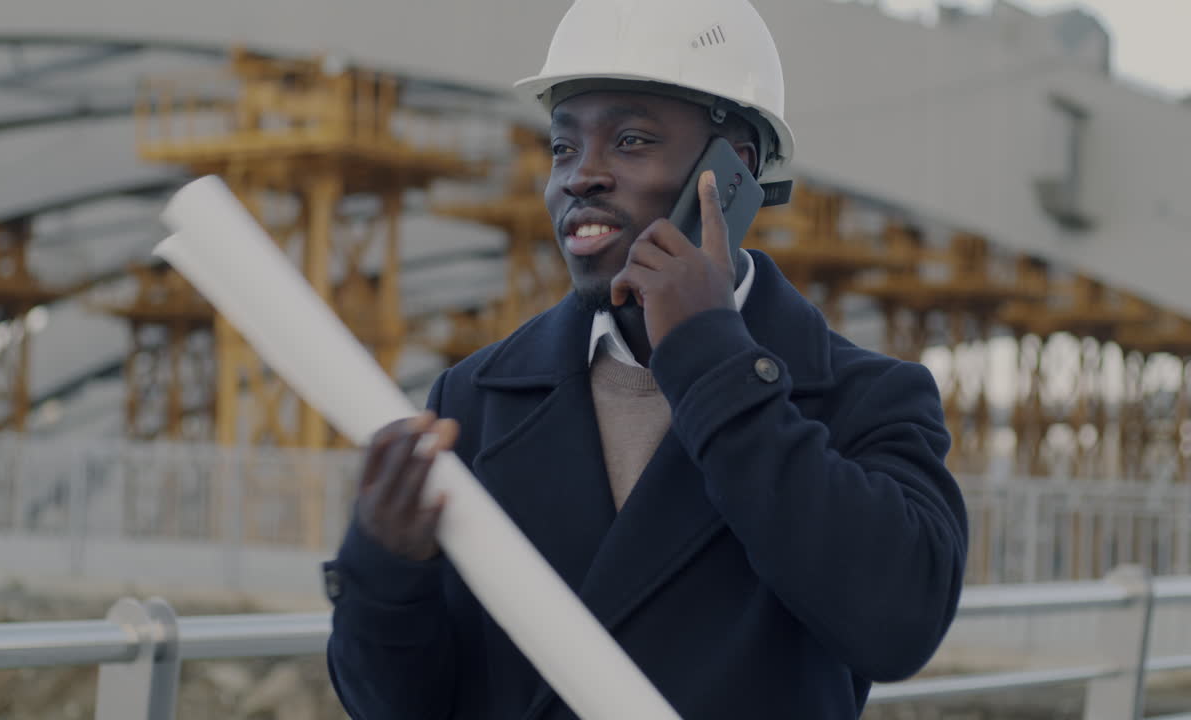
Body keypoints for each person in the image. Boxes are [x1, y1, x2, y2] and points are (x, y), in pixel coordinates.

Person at [323, 0, 968, 717]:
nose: (581, 176)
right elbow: (395, 708)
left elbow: (899, 627)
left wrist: (712, 361)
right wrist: (385, 564)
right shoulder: (474, 399)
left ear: (730, 175)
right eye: (563, 148)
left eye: (630, 141)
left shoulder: (864, 397)